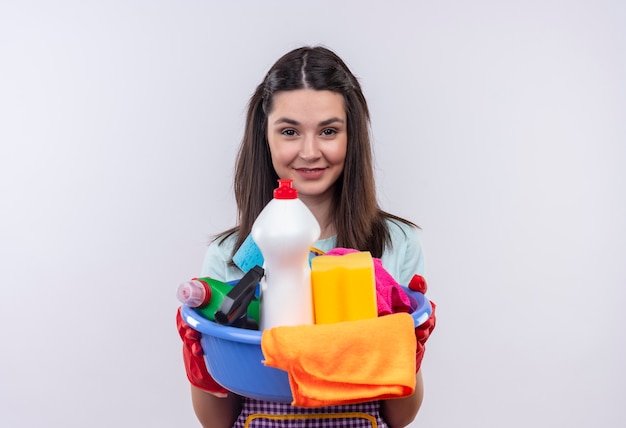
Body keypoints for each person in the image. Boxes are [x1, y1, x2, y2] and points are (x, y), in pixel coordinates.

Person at [177, 46, 436, 428]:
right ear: (264, 135)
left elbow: (400, 418)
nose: (310, 152)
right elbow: (217, 422)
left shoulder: (396, 244)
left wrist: (407, 357)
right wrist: (203, 365)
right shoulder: (232, 255)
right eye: (289, 131)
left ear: (353, 136)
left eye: (329, 131)